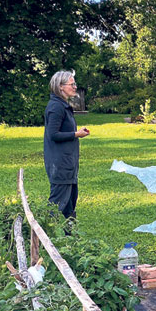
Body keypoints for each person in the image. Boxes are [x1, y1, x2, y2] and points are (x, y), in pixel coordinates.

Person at [43, 71, 90, 219]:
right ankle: (46, 236)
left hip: (67, 162)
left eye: (74, 83)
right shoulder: (56, 107)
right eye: (72, 84)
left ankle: (69, 238)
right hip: (60, 164)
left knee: (69, 204)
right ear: (61, 87)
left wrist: (76, 132)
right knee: (57, 206)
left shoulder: (63, 105)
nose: (75, 87)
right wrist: (76, 134)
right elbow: (53, 135)